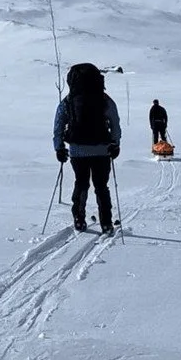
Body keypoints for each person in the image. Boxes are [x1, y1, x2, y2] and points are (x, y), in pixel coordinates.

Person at [52, 62, 121, 233]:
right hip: (102, 150)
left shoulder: (68, 101)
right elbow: (115, 123)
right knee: (101, 186)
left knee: (81, 183)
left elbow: (58, 125)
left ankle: (79, 218)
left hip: (77, 150)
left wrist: (59, 147)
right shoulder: (104, 99)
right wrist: (115, 144)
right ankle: (106, 221)